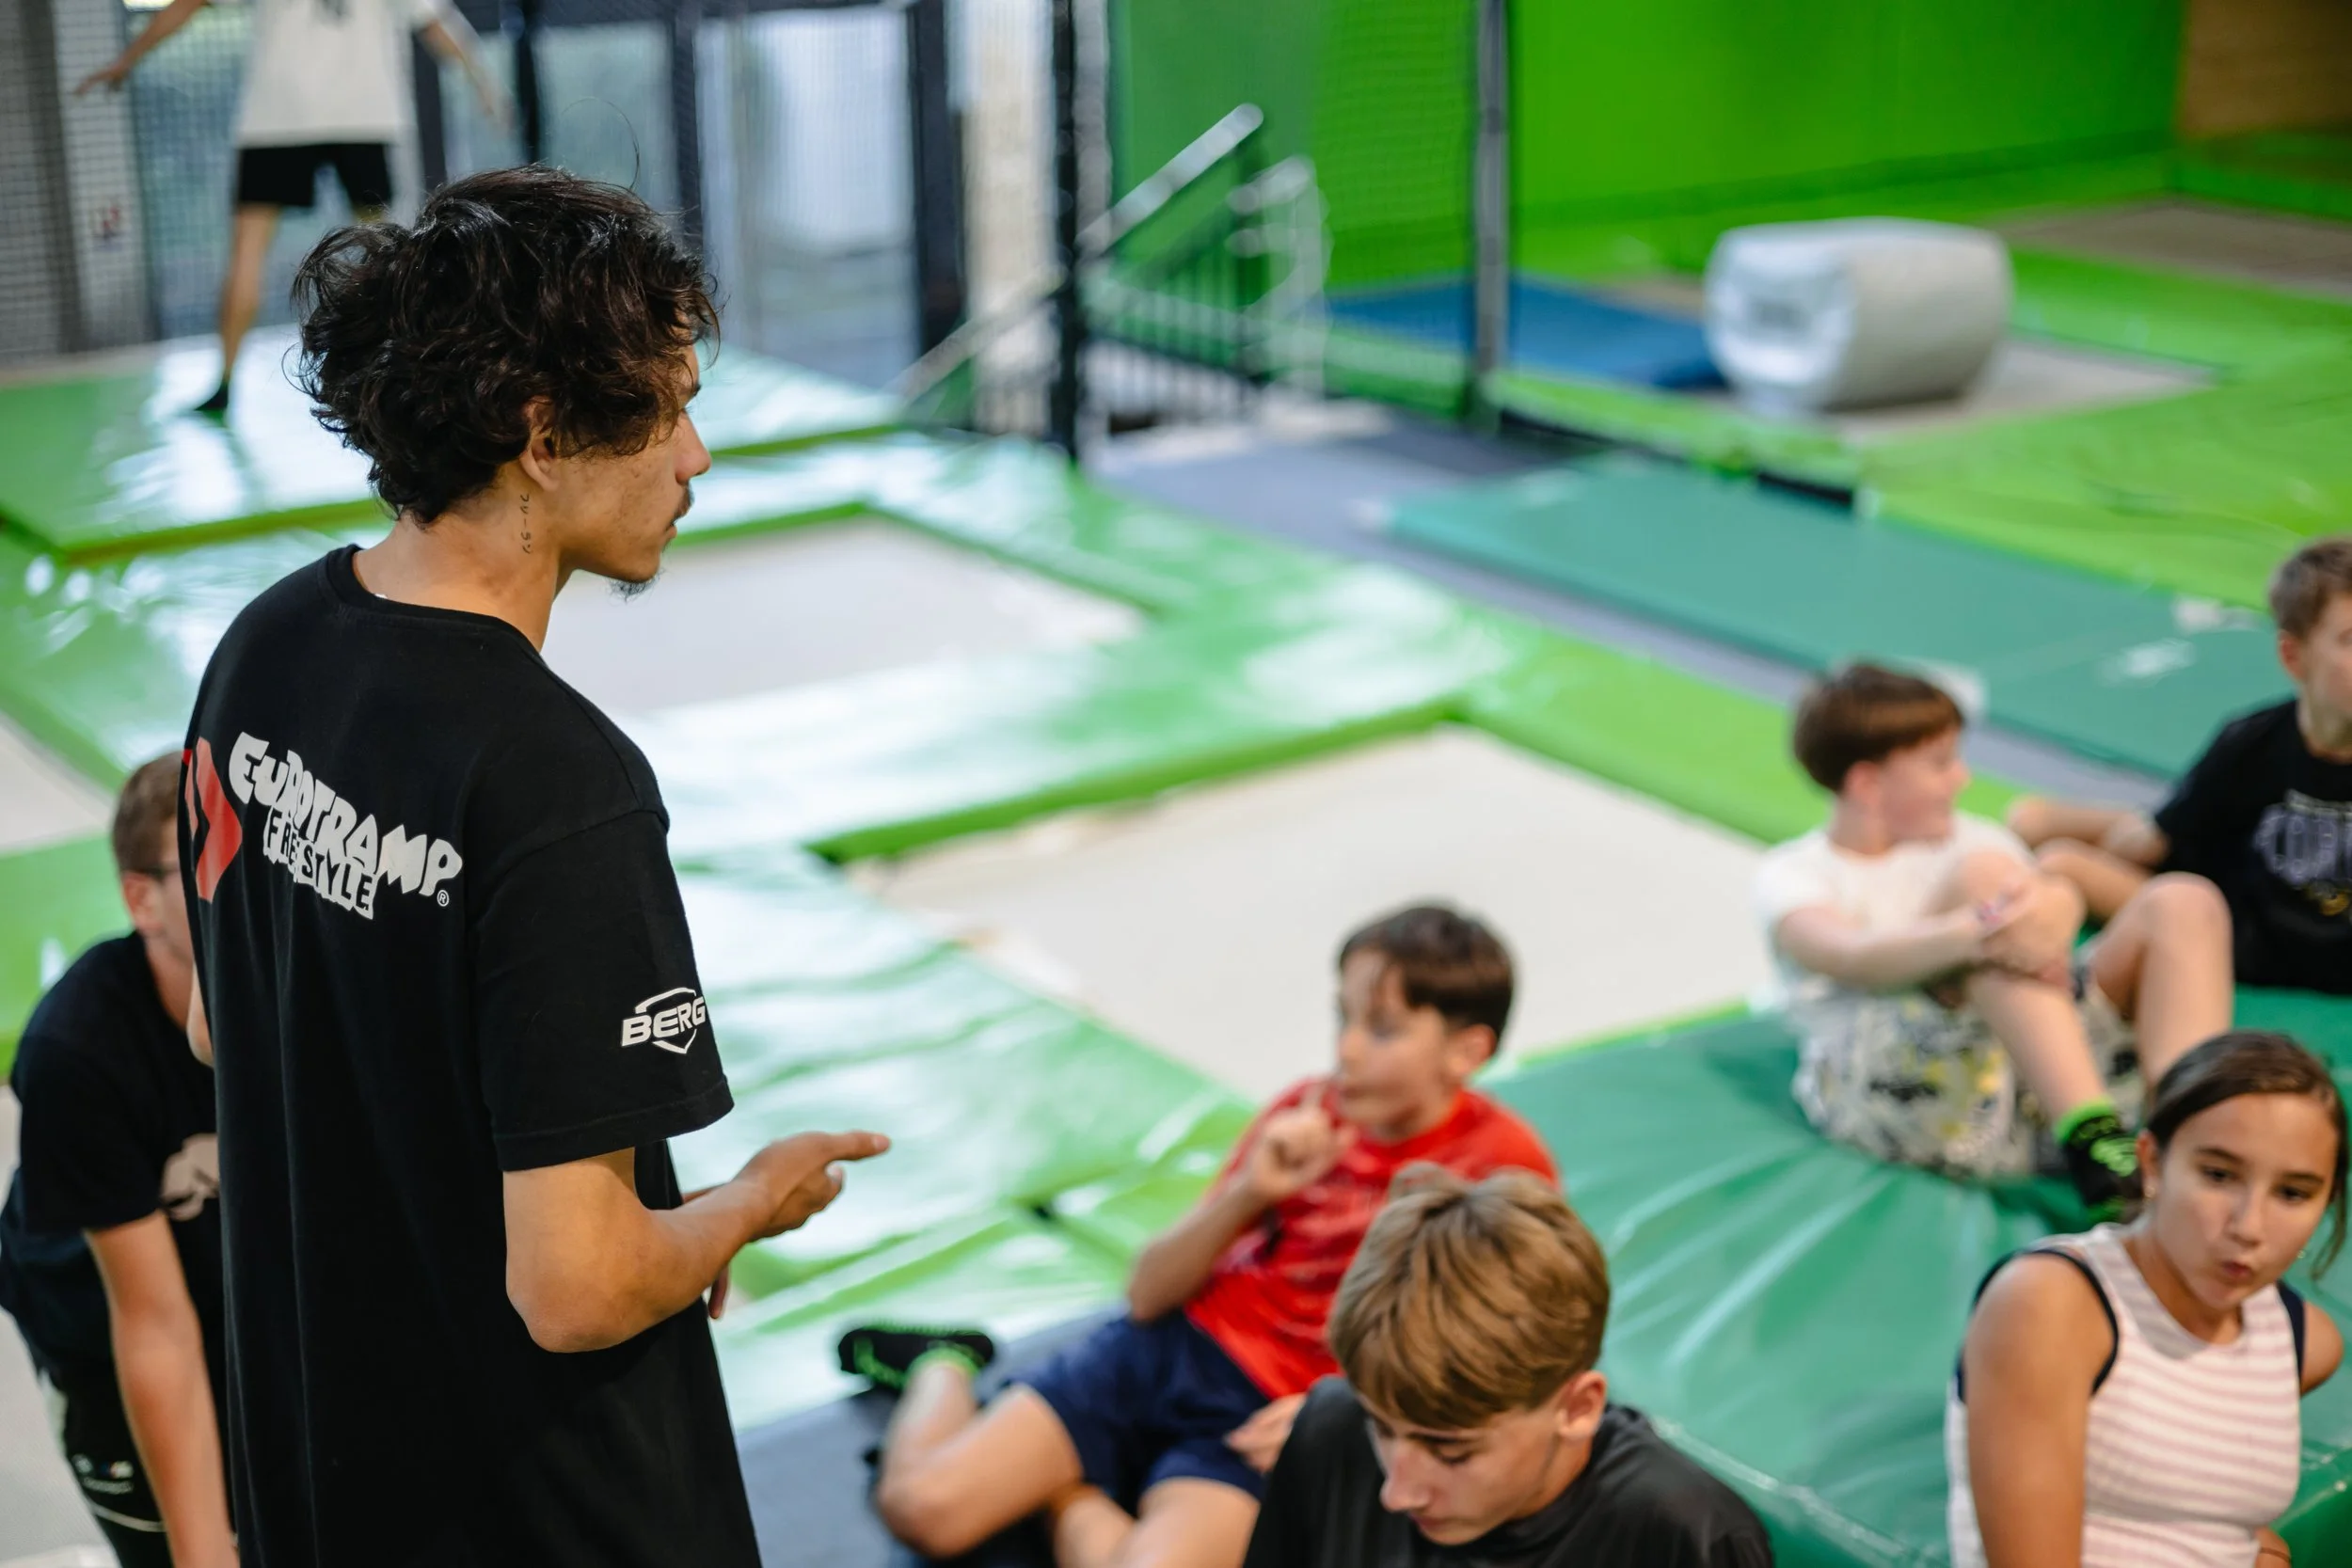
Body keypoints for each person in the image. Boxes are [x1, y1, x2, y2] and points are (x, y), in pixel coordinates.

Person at [176, 166, 887, 1566]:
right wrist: (748, 1202)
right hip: (546, 1512)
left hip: (321, 1481)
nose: (695, 457)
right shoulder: (558, 782)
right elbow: (579, 1281)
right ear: (541, 432)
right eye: (669, 409)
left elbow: (219, 1022)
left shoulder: (265, 644)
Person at [846, 905, 1557, 1568]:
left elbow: (1497, 1362)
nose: (1344, 1049)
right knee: (922, 1509)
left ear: (1467, 1050)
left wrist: (1347, 1414)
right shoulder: (1306, 1112)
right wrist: (1253, 1188)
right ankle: (946, 1362)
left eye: (1382, 1028)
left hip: (1264, 1419)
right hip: (1168, 1349)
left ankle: (1065, 1488)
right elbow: (1147, 1293)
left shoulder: (1501, 1167)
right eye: (1341, 1014)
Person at [1756, 663, 2233, 1214]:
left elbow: (2044, 909)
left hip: (2018, 1076)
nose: (1961, 778)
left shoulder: (1975, 838)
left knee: (2184, 900)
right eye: (1940, 764)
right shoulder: (1798, 872)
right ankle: (2094, 1141)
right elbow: (1849, 956)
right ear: (1867, 783)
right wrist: (1977, 934)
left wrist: (2055, 904)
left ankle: (2191, 1133)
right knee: (1986, 882)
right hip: (1897, 1086)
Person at [1948, 1029, 2344, 1566]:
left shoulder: (2303, 1343)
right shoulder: (2051, 1305)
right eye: (2218, 1174)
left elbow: (2215, 1523)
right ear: (2152, 1163)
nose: (2249, 1226)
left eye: (2292, 1193)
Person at [1243, 1167, 1772, 1568]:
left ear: (1578, 1408)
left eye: (1451, 1451)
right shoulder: (1330, 1433)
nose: (1398, 1493)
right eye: (1380, 1428)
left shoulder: (1687, 1536)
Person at [0, 757, 232, 1568]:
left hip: (226, 1291)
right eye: (201, 864)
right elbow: (155, 1327)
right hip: (106, 1331)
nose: (235, 884)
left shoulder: (299, 990)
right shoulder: (77, 1052)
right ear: (142, 899)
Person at [75, 0, 505, 415]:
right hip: (360, 115)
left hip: (278, 117)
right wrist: (483, 81)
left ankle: (224, 382)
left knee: (249, 253)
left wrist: (127, 59)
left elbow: (190, 3)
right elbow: (435, 21)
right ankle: (414, 377)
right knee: (391, 254)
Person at [2010, 537, 2352, 994]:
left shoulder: (2252, 742)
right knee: (2031, 818)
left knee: (2062, 861)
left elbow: (2149, 843)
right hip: (2236, 874)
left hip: (2249, 939)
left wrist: (2112, 858)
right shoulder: (2254, 740)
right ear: (2294, 657)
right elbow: (2158, 837)